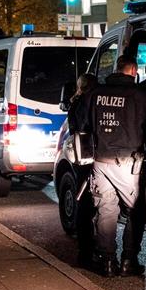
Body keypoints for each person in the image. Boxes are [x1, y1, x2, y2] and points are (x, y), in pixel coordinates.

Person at [87, 54, 146, 277]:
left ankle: (107, 261)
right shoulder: (139, 95)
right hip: (127, 162)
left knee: (106, 209)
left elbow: (85, 123)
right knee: (135, 211)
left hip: (101, 160)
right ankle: (128, 260)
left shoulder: (96, 93)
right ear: (133, 71)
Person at [67, 73, 97, 266]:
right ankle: (86, 252)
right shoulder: (87, 102)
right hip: (89, 156)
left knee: (84, 202)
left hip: (81, 157)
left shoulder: (76, 102)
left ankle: (85, 250)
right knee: (87, 204)